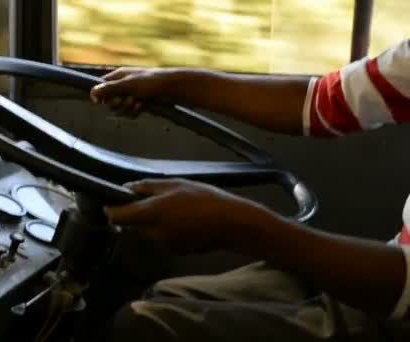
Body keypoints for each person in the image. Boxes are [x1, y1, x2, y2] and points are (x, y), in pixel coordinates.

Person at [88, 39, 410, 341]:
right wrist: (172, 83)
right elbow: (322, 103)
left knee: (143, 326)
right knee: (166, 296)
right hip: (389, 274)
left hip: (396, 305)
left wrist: (235, 226)